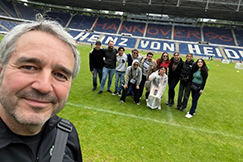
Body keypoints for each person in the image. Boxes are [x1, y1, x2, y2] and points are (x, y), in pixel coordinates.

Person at [0, 20, 82, 161]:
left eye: (60, 75)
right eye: (29, 67)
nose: (44, 87)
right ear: (1, 72)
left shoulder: (66, 134)